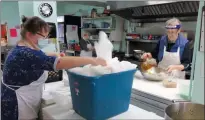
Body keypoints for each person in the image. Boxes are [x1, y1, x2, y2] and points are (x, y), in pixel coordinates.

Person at [1, 16, 106, 120]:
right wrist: (93, 60)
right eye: (43, 36)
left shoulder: (23, 48)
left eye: (46, 37)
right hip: (17, 105)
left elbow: (40, 56)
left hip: (23, 98)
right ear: (29, 34)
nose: (45, 40)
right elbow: (58, 63)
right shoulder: (26, 53)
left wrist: (54, 54)